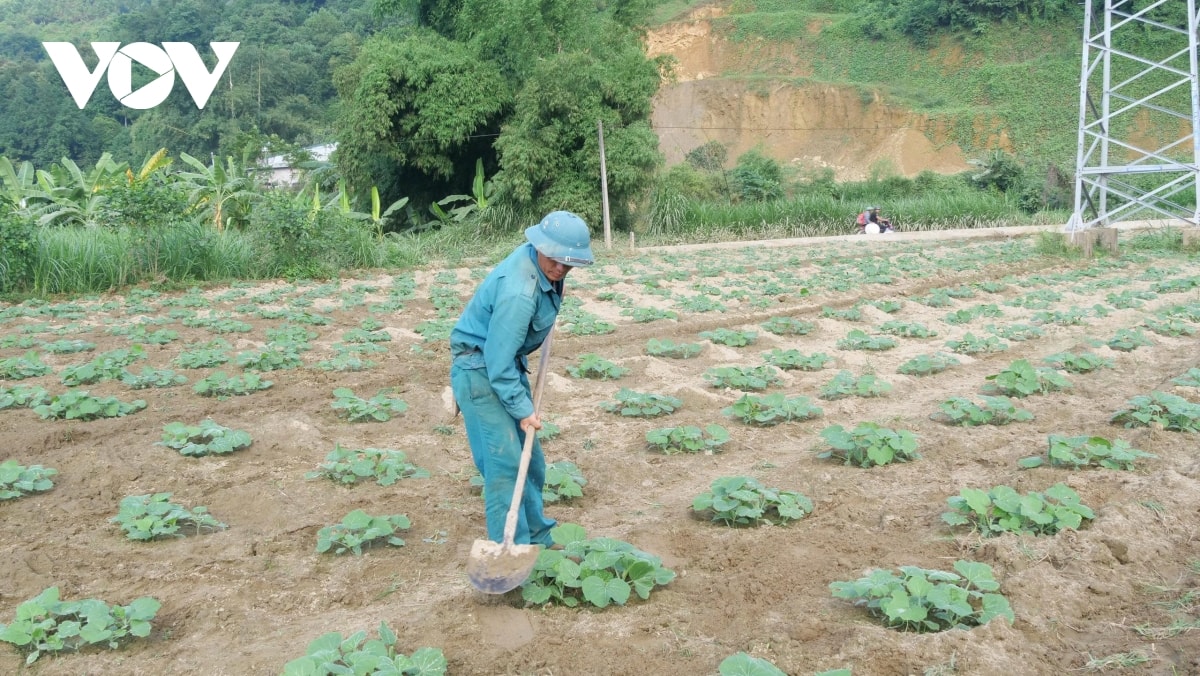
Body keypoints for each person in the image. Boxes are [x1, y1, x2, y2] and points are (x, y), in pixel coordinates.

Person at [449, 210, 594, 548]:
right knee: (506, 464)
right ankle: (512, 547)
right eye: (555, 260)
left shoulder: (547, 269)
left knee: (533, 462)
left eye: (568, 264)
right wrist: (522, 409)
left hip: (502, 365)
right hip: (480, 370)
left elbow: (506, 356)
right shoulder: (520, 293)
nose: (560, 268)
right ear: (540, 247)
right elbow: (497, 363)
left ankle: (539, 539)